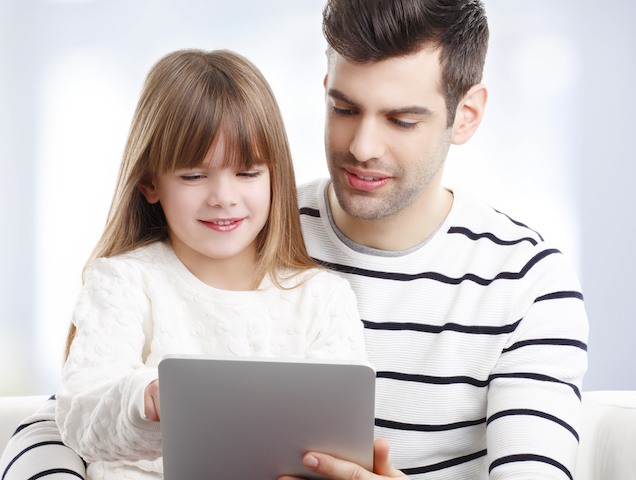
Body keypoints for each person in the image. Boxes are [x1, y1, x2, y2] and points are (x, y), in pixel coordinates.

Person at [0, 1, 589, 479]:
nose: (362, 146)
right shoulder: (245, 230)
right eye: (343, 107)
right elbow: (69, 416)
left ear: (466, 115)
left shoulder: (529, 282)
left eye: (402, 119)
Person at [0, 49, 366, 480]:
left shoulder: (321, 300)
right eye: (194, 176)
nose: (223, 197)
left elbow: (340, 446)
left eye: (247, 173)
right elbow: (78, 419)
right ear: (150, 182)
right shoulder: (123, 282)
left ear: (275, 176)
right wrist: (147, 398)